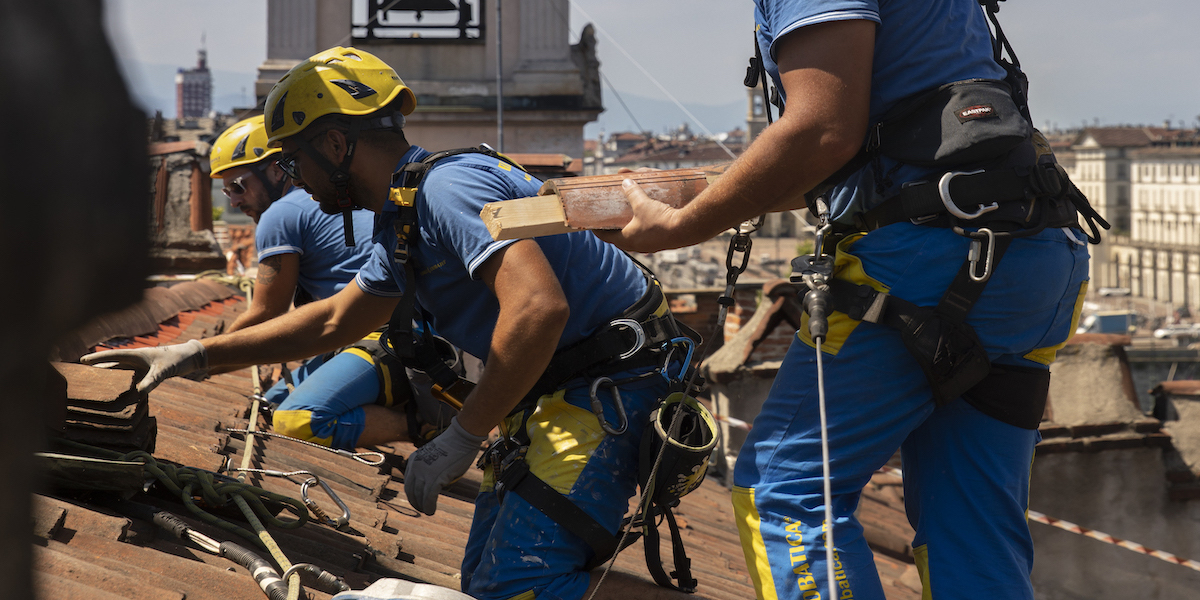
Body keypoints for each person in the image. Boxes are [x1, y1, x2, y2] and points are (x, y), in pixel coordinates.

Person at [84, 46, 688, 600]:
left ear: (338, 147)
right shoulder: (401, 216)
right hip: (566, 387)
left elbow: (538, 306)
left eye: (296, 161)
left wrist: (464, 434)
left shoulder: (448, 189)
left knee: (520, 585)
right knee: (483, 580)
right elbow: (337, 321)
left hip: (614, 384)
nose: (295, 182)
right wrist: (194, 355)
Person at [597, 2, 1095, 599]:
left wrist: (681, 227)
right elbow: (850, 156)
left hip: (925, 261)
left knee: (787, 492)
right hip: (1036, 256)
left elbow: (821, 131)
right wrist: (703, 202)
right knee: (973, 523)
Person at [209, 115, 442, 452]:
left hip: (391, 338)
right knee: (271, 404)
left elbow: (265, 314)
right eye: (227, 190)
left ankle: (421, 425)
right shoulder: (328, 202)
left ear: (276, 170)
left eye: (239, 186)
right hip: (397, 335)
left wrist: (200, 361)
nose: (233, 200)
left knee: (295, 419)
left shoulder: (280, 214)